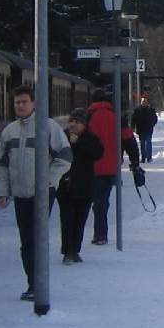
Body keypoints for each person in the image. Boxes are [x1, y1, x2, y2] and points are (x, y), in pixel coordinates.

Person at [0, 85, 72, 300]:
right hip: (20, 194)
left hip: (42, 193)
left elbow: (65, 156)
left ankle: (38, 285)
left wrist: (49, 181)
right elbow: (1, 164)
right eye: (17, 102)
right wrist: (2, 191)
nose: (20, 105)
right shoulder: (9, 132)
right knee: (26, 241)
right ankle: (32, 283)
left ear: (33, 103)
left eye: (24, 102)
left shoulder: (48, 127)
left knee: (36, 238)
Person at [56, 108, 103, 264]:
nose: (73, 125)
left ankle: (75, 250)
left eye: (77, 122)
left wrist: (79, 143)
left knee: (80, 220)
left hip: (85, 186)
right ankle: (67, 252)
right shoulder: (62, 137)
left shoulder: (90, 138)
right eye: (71, 121)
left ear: (84, 124)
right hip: (66, 186)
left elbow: (97, 153)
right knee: (67, 219)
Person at [86, 88, 120, 246]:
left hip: (94, 167)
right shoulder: (116, 115)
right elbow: (128, 139)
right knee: (103, 201)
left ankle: (100, 234)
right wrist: (135, 163)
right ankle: (101, 233)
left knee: (97, 202)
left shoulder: (88, 116)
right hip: (112, 168)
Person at [130, 92, 158, 163]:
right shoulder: (137, 110)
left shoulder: (151, 109)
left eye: (145, 101)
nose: (144, 102)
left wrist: (152, 125)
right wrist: (133, 127)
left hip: (149, 129)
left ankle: (149, 157)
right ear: (141, 102)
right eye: (142, 101)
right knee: (142, 144)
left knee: (148, 143)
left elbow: (155, 118)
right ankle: (143, 158)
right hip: (141, 130)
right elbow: (133, 119)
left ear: (147, 102)